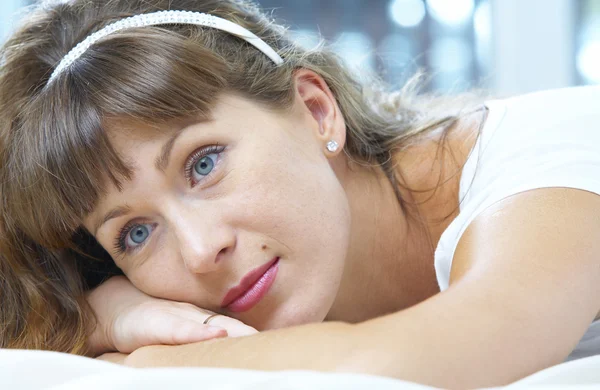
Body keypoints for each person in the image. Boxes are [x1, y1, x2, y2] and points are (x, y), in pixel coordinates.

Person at [1, 0, 599, 388]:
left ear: (316, 110)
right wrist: (107, 315)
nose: (200, 250)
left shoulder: (546, 163)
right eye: (134, 233)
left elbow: (434, 362)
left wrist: (149, 364)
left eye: (203, 164)